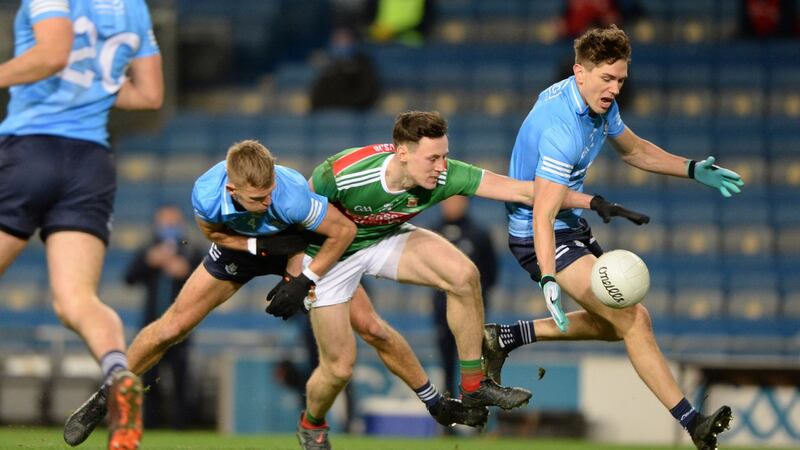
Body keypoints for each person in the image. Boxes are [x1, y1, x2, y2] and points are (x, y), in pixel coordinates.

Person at [62, 139, 491, 447]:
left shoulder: (289, 195)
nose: (266, 201)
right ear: (233, 190)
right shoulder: (207, 197)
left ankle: (434, 403)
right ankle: (106, 396)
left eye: (269, 193)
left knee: (371, 328)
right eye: (256, 197)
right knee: (171, 326)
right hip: (246, 249)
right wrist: (257, 247)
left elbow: (342, 232)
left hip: (297, 247)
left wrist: (303, 277)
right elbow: (213, 234)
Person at [287, 110, 650, 450]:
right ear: (401, 153)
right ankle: (313, 423)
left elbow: (520, 190)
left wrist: (594, 202)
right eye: (433, 158)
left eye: (445, 156)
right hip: (333, 251)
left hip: (384, 236)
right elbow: (295, 214)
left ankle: (474, 386)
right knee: (339, 367)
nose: (441, 167)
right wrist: (298, 272)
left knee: (463, 275)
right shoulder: (342, 172)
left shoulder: (445, 176)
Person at [482, 25, 743, 450]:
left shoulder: (597, 106)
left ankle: (506, 337)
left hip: (567, 226)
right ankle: (692, 421)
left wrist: (692, 169)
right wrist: (548, 277)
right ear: (579, 72)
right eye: (606, 78)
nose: (614, 88)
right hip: (537, 232)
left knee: (613, 326)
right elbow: (544, 213)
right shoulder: (560, 128)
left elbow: (635, 150)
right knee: (634, 320)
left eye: (620, 79)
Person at [0, 0, 163, 448]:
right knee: (77, 301)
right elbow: (150, 95)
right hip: (90, 162)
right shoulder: (135, 9)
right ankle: (116, 371)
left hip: (30, 150)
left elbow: (53, 54)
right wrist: (95, 88)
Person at [123, 205, 203, 429]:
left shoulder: (191, 250)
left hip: (182, 328)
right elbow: (129, 278)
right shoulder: (149, 249)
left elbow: (209, 280)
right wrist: (149, 262)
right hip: (151, 325)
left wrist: (185, 272)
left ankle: (182, 426)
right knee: (148, 377)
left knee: (181, 379)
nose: (168, 227)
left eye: (172, 222)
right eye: (164, 222)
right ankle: (149, 425)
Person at [431, 196, 497, 400]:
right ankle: (448, 418)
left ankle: (477, 414)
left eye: (455, 200)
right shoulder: (432, 234)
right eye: (447, 200)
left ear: (465, 202)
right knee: (447, 365)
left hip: (472, 313)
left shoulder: (478, 234)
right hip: (442, 311)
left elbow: (491, 273)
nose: (450, 205)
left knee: (475, 363)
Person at [310, 27, 380, 112]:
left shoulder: (364, 65)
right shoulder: (327, 67)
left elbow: (368, 94)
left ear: (354, 42)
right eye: (337, 41)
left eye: (345, 41)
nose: (341, 45)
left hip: (357, 114)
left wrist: (345, 105)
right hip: (329, 116)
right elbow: (316, 98)